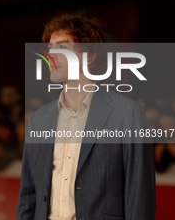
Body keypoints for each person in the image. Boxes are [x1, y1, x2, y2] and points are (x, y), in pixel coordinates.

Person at [16, 13, 155, 220]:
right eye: (50, 48)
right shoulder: (39, 120)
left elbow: (139, 194)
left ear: (89, 55)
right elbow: (28, 196)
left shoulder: (126, 113)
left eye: (62, 47)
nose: (51, 54)